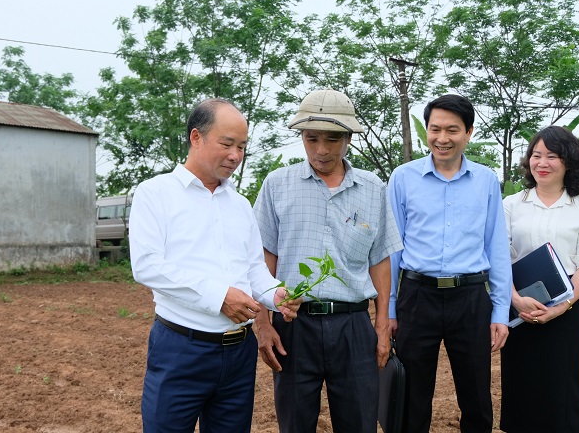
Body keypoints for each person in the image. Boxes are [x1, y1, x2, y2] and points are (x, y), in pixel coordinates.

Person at [129, 98, 302, 433]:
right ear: (196, 137)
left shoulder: (239, 205)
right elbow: (147, 265)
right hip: (181, 350)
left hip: (238, 353)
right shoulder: (156, 194)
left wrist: (275, 294)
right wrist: (219, 295)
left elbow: (253, 270)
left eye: (241, 146)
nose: (235, 155)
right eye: (227, 144)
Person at [253, 89, 403, 432]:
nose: (322, 149)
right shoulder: (277, 184)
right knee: (295, 423)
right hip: (293, 325)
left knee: (360, 422)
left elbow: (380, 259)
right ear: (301, 138)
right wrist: (262, 324)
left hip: (352, 326)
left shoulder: (372, 187)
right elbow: (262, 260)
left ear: (349, 138)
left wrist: (381, 324)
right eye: (312, 138)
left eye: (333, 139)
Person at [387, 94, 512, 432]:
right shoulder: (402, 177)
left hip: (470, 299)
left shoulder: (486, 180)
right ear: (427, 130)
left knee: (476, 398)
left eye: (452, 130)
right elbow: (391, 250)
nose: (442, 138)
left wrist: (500, 312)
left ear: (468, 133)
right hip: (417, 296)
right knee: (411, 396)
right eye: (435, 129)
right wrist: (390, 310)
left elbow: (496, 247)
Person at [499, 126, 579, 433]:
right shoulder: (511, 204)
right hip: (519, 307)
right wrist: (515, 298)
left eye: (552, 156)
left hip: (565, 310)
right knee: (522, 393)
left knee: (563, 393)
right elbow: (500, 257)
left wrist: (563, 306)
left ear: (569, 162)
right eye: (536, 155)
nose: (541, 163)